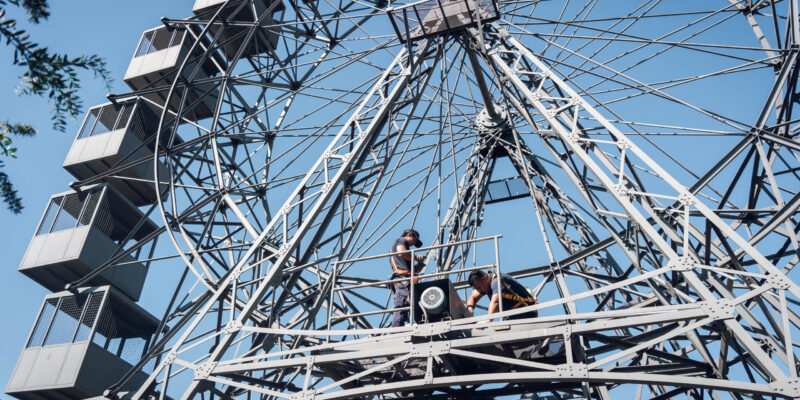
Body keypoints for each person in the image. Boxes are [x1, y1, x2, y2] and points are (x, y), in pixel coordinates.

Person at [465, 269, 537, 320]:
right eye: (477, 289)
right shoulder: (485, 284)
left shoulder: (496, 281)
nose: (479, 290)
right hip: (513, 315)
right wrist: (470, 310)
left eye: (479, 287)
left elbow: (495, 301)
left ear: (484, 278)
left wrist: (487, 320)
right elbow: (473, 298)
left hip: (526, 311)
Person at [389, 228, 425, 327]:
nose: (414, 244)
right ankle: (396, 329)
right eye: (414, 240)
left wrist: (419, 265)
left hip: (406, 277)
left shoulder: (407, 251)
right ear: (409, 235)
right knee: (401, 304)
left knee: (407, 305)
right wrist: (416, 257)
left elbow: (410, 268)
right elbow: (402, 253)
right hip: (402, 278)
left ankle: (402, 325)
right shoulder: (401, 240)